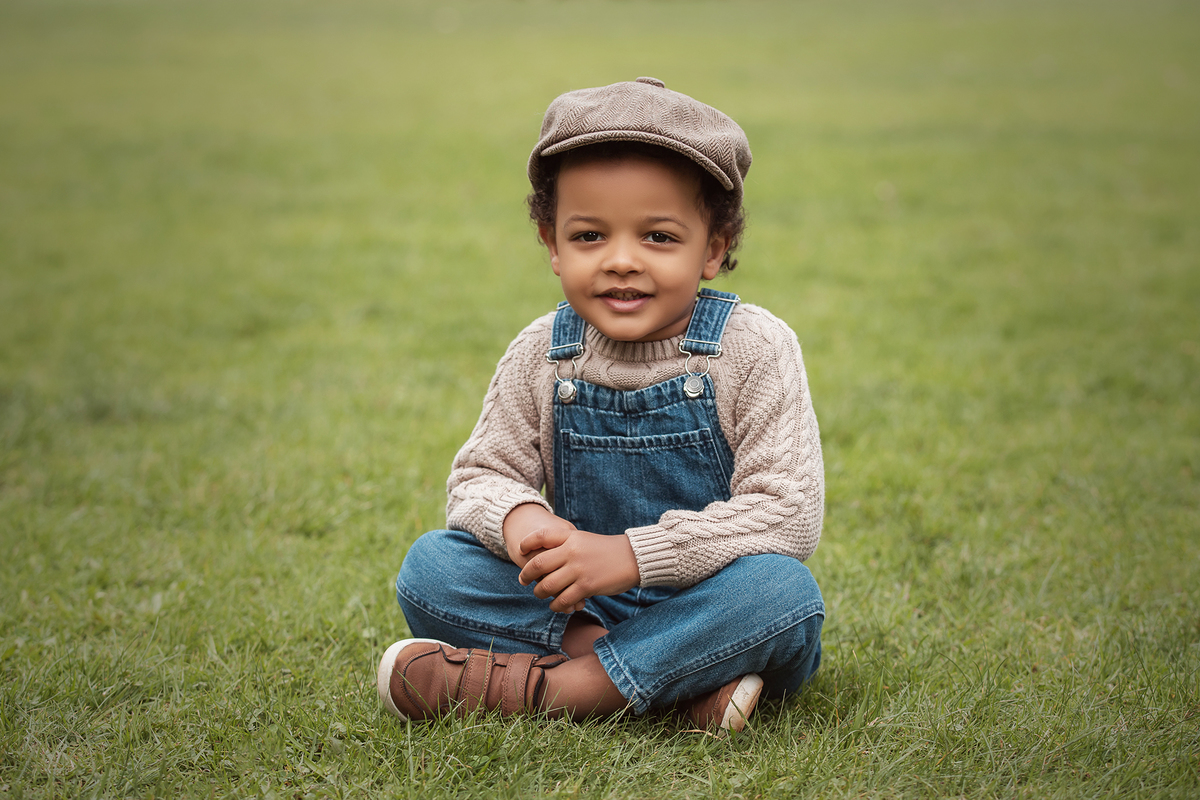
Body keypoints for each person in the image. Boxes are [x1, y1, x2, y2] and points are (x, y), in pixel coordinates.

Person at [377, 77, 825, 733]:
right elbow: (481, 477)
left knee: (782, 592)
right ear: (552, 243)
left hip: (714, 605)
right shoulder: (542, 354)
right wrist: (526, 523)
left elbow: (787, 512)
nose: (621, 261)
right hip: (579, 610)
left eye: (658, 237)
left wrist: (630, 556)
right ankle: (673, 685)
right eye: (589, 236)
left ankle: (563, 689)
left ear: (714, 247)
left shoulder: (754, 348)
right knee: (431, 569)